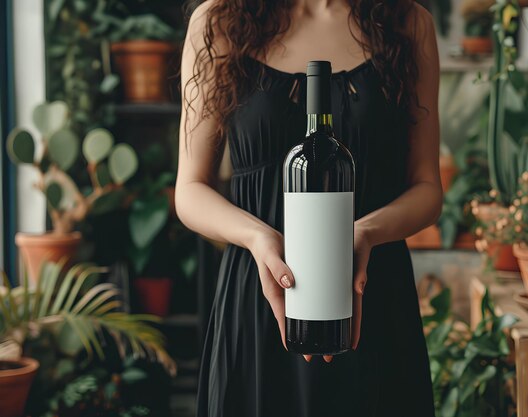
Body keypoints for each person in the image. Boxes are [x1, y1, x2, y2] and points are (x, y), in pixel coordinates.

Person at [175, 0, 442, 416]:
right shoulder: (219, 21)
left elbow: (427, 188)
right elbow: (190, 190)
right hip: (261, 295)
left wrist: (361, 234)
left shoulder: (408, 23)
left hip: (371, 292)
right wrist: (258, 238)